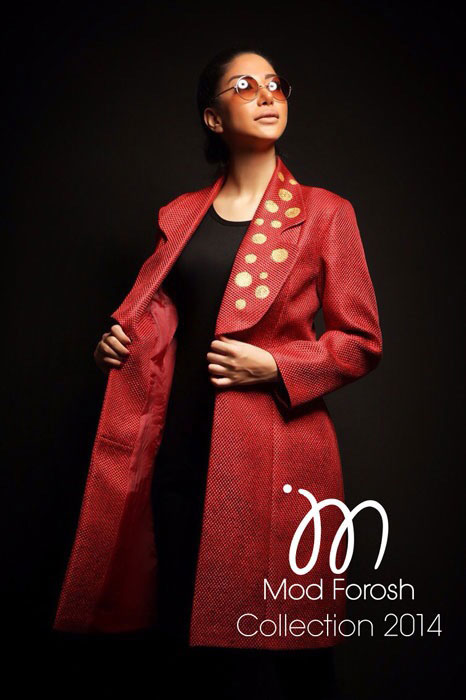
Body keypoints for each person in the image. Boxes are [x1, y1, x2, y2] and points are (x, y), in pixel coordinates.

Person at [65, 46, 382, 700]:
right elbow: (156, 318)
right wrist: (117, 345)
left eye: (275, 84)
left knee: (292, 653)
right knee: (188, 648)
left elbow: (360, 341)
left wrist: (276, 364)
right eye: (245, 86)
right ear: (213, 117)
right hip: (180, 450)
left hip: (278, 455)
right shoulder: (178, 216)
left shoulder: (325, 212)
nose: (267, 95)